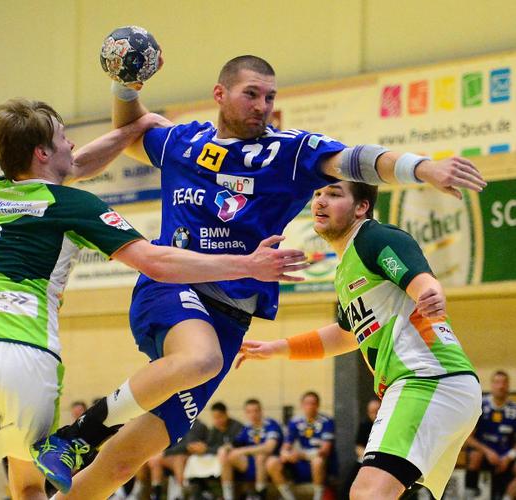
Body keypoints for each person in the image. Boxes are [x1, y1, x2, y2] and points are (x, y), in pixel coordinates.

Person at [34, 54, 486, 499]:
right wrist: (125, 88)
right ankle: (78, 434)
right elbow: (131, 131)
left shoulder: (288, 153)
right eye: (251, 94)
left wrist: (423, 168)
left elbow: (360, 160)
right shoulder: (184, 142)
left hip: (231, 319)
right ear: (219, 94)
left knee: (126, 461)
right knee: (201, 359)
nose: (262, 106)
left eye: (270, 97)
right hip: (176, 285)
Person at [0, 97, 313, 500]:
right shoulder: (74, 205)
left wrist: (135, 127)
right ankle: (85, 433)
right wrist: (248, 264)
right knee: (28, 488)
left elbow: (75, 166)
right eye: (63, 138)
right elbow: (157, 262)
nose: (72, 145)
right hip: (28, 356)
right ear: (42, 153)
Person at [237, 180, 482, 499]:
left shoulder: (374, 238)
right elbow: (344, 335)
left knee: (367, 492)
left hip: (428, 379)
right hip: (435, 385)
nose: (320, 201)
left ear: (362, 207)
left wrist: (430, 292)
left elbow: (421, 279)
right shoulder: (345, 268)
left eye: (334, 194)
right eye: (317, 194)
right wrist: (276, 348)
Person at [266, 392, 334, 500]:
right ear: (302, 405)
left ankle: (318, 497)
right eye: (307, 403)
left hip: (317, 461)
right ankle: (288, 497)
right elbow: (286, 446)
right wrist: (286, 454)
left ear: (318, 405)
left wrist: (301, 454)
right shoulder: (295, 421)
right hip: (298, 462)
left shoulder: (326, 421)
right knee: (271, 462)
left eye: (313, 403)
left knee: (318, 461)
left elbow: (325, 450)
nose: (310, 406)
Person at [466, 370, 516, 499]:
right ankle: (469, 494)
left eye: (504, 383)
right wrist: (487, 452)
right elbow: (467, 438)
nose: (501, 386)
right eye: (497, 382)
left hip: (505, 456)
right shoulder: (480, 406)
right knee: (475, 455)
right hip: (484, 454)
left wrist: (509, 457)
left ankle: (507, 497)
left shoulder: (514, 409)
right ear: (491, 385)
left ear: (508, 386)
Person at [220, 398, 283, 500]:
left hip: (269, 464)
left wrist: (242, 451)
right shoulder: (247, 427)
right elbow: (235, 444)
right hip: (250, 465)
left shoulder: (271, 424)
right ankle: (228, 497)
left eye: (256, 411)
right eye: (249, 412)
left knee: (260, 456)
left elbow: (269, 447)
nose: (253, 414)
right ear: (246, 413)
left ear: (261, 411)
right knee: (226, 454)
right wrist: (225, 448)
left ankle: (260, 495)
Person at [341, 399, 381, 498]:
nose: (375, 414)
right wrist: (368, 458)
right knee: (347, 488)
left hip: (383, 461)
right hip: (367, 459)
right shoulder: (364, 425)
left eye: (377, 411)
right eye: (372, 412)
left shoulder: (388, 425)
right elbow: (358, 447)